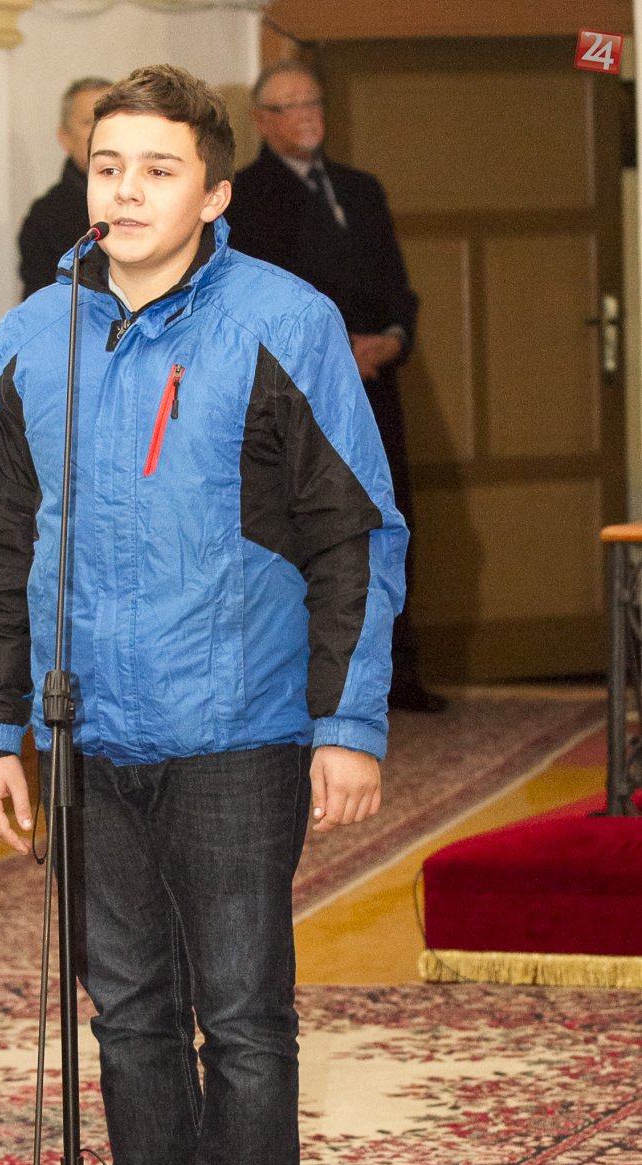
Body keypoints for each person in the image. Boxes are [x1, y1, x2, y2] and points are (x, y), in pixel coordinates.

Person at [0, 65, 407, 1165]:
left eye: (158, 170)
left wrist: (346, 723)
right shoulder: (30, 335)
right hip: (84, 733)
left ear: (213, 192)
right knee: (127, 1007)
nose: (127, 191)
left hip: (236, 725)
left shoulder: (284, 321)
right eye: (109, 167)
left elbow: (354, 535)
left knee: (242, 1005)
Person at [227, 60, 443, 713]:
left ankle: (397, 672)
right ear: (263, 121)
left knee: (386, 517)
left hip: (375, 386)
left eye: (313, 102)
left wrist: (393, 339)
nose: (307, 115)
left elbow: (398, 288)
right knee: (316, 530)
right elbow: (258, 299)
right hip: (302, 396)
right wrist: (332, 351)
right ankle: (318, 682)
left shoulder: (360, 188)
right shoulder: (246, 196)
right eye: (290, 106)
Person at [17, 77, 112, 299]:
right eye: (89, 121)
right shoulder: (46, 218)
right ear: (64, 138)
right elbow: (41, 307)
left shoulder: (151, 197)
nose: (102, 129)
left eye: (109, 117)